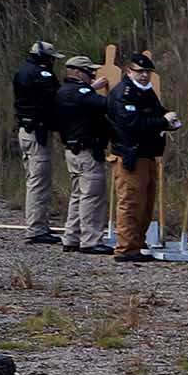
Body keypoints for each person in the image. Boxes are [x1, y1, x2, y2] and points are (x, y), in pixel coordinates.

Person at [106, 52, 179, 262]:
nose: (145, 76)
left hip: (147, 155)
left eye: (148, 72)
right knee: (130, 203)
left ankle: (137, 244)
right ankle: (125, 248)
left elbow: (155, 113)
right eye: (140, 72)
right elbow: (132, 124)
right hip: (131, 155)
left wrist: (169, 119)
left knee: (145, 203)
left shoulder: (146, 92)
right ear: (129, 71)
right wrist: (162, 122)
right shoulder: (124, 93)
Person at [54, 56, 113, 254]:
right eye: (89, 72)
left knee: (78, 196)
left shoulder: (64, 91)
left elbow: (84, 98)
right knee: (92, 197)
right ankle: (90, 240)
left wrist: (92, 87)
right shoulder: (81, 93)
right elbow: (105, 105)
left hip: (73, 150)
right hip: (87, 152)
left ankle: (71, 237)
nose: (93, 76)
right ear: (78, 73)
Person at [12, 39, 61, 245]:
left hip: (26, 130)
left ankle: (38, 225)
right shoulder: (42, 75)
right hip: (37, 133)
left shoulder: (22, 71)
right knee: (38, 182)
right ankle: (36, 229)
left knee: (33, 179)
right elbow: (56, 98)